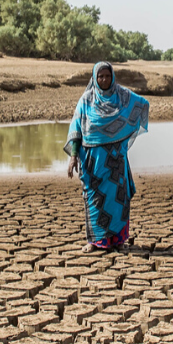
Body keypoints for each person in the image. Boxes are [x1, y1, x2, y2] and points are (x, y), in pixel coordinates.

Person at [65, 62, 150, 252]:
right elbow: (75, 130)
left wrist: (126, 131)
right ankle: (94, 241)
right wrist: (73, 157)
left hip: (115, 161)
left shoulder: (122, 96)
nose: (104, 80)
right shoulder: (86, 100)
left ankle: (118, 241)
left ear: (112, 77)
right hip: (92, 162)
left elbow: (142, 104)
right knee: (94, 201)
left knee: (118, 201)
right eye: (100, 76)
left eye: (107, 76)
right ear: (94, 78)